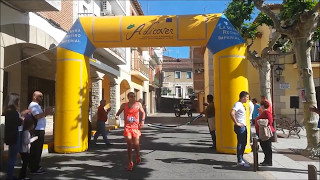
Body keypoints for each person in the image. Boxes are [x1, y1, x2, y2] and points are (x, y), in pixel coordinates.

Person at [115, 92, 146, 171]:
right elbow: (118, 112)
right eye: (131, 96)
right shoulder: (124, 105)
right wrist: (117, 116)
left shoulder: (138, 104)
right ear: (128, 97)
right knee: (129, 144)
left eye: (134, 96)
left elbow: (143, 113)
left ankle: (138, 155)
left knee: (136, 144)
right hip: (128, 127)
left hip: (135, 127)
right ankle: (130, 163)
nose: (133, 97)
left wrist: (142, 121)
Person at [29, 91, 53, 175]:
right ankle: (34, 168)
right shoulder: (33, 105)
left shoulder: (37, 106)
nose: (41, 98)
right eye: (40, 96)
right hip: (37, 130)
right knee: (36, 149)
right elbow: (37, 116)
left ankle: (35, 166)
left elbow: (40, 115)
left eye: (42, 96)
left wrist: (45, 113)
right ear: (34, 97)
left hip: (40, 129)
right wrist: (46, 112)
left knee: (38, 149)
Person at [4, 93, 22, 180]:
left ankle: (10, 175)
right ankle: (10, 176)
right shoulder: (13, 112)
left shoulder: (8, 111)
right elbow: (19, 122)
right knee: (12, 158)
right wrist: (22, 118)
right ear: (14, 101)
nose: (19, 102)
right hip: (14, 136)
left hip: (11, 136)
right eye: (18, 100)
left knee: (12, 157)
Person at [230, 91, 250, 167]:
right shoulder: (238, 104)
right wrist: (236, 123)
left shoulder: (241, 104)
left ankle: (241, 158)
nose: (247, 99)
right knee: (241, 143)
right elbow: (232, 113)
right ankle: (239, 160)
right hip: (240, 127)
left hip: (242, 126)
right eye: (247, 97)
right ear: (243, 97)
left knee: (243, 142)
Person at [255, 101, 275, 166]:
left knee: (267, 147)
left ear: (263, 106)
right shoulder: (263, 112)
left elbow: (270, 121)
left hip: (266, 132)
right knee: (264, 146)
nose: (260, 106)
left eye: (261, 105)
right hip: (262, 132)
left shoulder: (266, 112)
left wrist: (261, 121)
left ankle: (268, 161)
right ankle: (266, 160)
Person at [19, 114, 39, 180]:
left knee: (25, 163)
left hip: (24, 150)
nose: (33, 126)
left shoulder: (25, 132)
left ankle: (23, 175)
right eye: (33, 125)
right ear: (30, 125)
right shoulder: (26, 132)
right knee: (25, 164)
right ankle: (22, 176)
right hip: (25, 151)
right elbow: (26, 141)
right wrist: (34, 139)